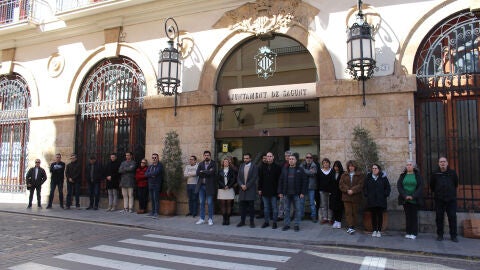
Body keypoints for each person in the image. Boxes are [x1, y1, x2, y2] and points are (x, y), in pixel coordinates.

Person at [430, 156, 459, 242]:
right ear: (438, 164)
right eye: (441, 162)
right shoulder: (435, 174)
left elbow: (455, 184)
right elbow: (432, 186)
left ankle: (453, 236)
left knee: (452, 217)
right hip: (439, 199)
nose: (442, 163)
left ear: (447, 163)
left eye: (444, 161)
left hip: (451, 200)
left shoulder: (453, 173)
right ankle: (440, 235)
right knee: (439, 217)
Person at [278, 154, 308, 232]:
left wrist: (302, 192)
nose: (291, 160)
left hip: (297, 194)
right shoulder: (285, 169)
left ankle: (296, 225)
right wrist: (280, 192)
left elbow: (305, 181)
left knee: (297, 210)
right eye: (290, 159)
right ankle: (286, 225)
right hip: (286, 193)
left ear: (296, 160)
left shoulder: (300, 169)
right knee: (286, 210)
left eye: (292, 159)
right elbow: (280, 180)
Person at [397, 160, 424, 240]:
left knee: (413, 216)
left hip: (414, 199)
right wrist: (405, 195)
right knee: (407, 216)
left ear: (413, 167)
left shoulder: (418, 175)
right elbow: (399, 186)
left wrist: (413, 196)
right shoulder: (402, 175)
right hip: (405, 199)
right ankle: (408, 232)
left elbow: (420, 187)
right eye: (407, 165)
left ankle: (414, 233)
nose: (408, 166)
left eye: (410, 165)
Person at [363, 163, 391, 237]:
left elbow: (388, 188)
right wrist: (367, 195)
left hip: (380, 200)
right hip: (371, 200)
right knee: (373, 216)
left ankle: (379, 231)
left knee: (380, 215)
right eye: (373, 168)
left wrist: (385, 195)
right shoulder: (368, 177)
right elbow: (365, 187)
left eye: (376, 168)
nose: (374, 170)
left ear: (379, 169)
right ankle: (374, 230)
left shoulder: (383, 177)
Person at [339, 160, 364, 235]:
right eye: (350, 166)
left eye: (352, 166)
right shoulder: (344, 174)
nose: (351, 167)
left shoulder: (360, 175)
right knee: (348, 212)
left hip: (355, 196)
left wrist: (353, 190)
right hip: (346, 196)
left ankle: (354, 225)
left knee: (355, 212)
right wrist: (347, 190)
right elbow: (341, 184)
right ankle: (350, 226)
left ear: (355, 167)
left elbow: (361, 185)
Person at [258, 152, 282, 229]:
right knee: (266, 208)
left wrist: (279, 191)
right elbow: (260, 179)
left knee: (275, 208)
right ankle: (266, 222)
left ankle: (274, 222)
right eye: (267, 156)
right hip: (264, 191)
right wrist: (259, 189)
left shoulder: (277, 167)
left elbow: (280, 180)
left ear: (273, 157)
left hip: (274, 192)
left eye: (270, 156)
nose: (269, 157)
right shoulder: (262, 167)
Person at [237, 153, 259, 228]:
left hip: (250, 189)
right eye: (244, 158)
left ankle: (251, 222)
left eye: (247, 158)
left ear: (250, 159)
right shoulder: (241, 165)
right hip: (242, 190)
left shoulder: (254, 166)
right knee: (242, 207)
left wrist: (247, 185)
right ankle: (242, 221)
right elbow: (238, 177)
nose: (245, 160)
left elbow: (254, 177)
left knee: (251, 208)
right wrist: (241, 185)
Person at [195, 150, 216, 225]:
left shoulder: (213, 163)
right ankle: (202, 218)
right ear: (203, 156)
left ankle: (210, 219)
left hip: (209, 186)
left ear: (210, 156)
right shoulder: (200, 163)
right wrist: (206, 171)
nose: (206, 156)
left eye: (208, 155)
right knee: (202, 203)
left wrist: (202, 171)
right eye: (205, 155)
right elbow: (197, 173)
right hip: (201, 186)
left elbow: (212, 173)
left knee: (210, 203)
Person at [300, 153, 318, 222]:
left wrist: (303, 170)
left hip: (311, 187)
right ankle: (301, 215)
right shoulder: (302, 165)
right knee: (301, 202)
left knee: (312, 203)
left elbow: (312, 173)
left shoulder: (314, 165)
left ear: (312, 159)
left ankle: (313, 216)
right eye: (307, 157)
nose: (308, 159)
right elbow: (301, 173)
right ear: (305, 158)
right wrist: (308, 172)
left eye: (310, 157)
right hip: (303, 187)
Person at [218, 157, 236, 225]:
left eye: (227, 162)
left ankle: (228, 219)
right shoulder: (220, 170)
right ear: (223, 163)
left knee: (228, 205)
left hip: (229, 189)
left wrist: (228, 186)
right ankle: (224, 219)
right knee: (223, 205)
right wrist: (223, 186)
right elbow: (218, 179)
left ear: (229, 163)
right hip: (222, 189)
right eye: (224, 162)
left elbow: (233, 179)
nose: (225, 163)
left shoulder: (232, 170)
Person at [145, 153, 163, 218]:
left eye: (155, 157)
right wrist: (151, 175)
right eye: (153, 158)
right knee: (151, 199)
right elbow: (146, 174)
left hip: (156, 185)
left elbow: (156, 172)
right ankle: (152, 212)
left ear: (158, 158)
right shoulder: (150, 166)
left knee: (156, 199)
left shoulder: (160, 165)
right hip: (150, 184)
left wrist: (151, 174)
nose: (154, 159)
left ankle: (156, 212)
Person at [318, 158, 334, 224]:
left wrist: (332, 190)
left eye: (327, 162)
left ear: (329, 164)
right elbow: (318, 181)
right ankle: (324, 218)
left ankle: (330, 218)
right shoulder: (320, 171)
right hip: (322, 191)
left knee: (330, 205)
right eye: (324, 163)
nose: (325, 164)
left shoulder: (332, 171)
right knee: (324, 205)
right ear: (322, 164)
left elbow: (333, 181)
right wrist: (319, 189)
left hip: (330, 191)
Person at [329, 160, 344, 229]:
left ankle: (339, 221)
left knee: (339, 208)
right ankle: (335, 221)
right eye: (335, 166)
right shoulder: (332, 173)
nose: (336, 168)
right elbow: (329, 182)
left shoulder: (342, 173)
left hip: (340, 193)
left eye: (337, 166)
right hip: (333, 193)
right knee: (333, 207)